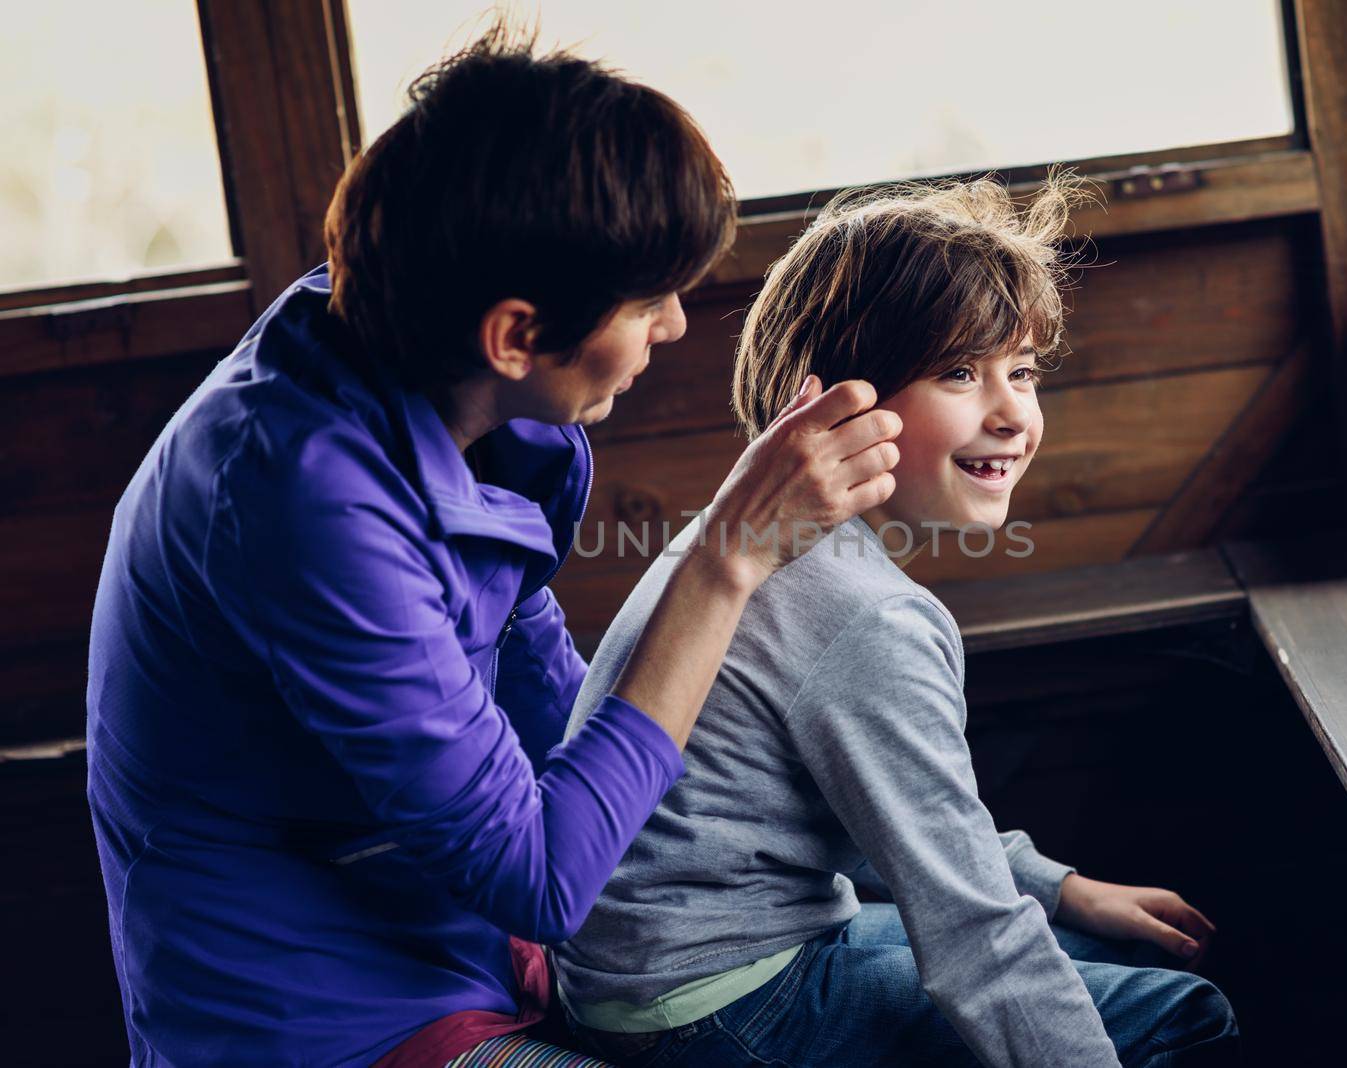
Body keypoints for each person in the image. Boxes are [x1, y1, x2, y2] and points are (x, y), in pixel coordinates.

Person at [84, 28, 901, 1067]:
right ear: (514, 335)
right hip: (301, 1001)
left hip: (461, 925)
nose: (677, 328)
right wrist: (724, 558)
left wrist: (1020, 881)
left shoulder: (461, 376)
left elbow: (547, 695)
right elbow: (543, 880)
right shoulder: (301, 498)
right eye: (648, 301)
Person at [554, 175, 1241, 1066]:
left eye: (1022, 372)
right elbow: (974, 940)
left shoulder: (740, 536)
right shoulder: (868, 618)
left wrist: (1061, 889)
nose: (1011, 415)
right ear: (838, 400)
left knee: (1102, 951)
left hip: (644, 978)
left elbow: (891, 819)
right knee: (1182, 1013)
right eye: (959, 372)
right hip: (715, 1004)